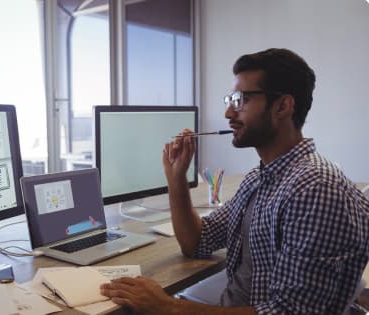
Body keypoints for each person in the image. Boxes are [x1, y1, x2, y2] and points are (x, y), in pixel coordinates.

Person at [100, 48, 369, 314]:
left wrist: (168, 306)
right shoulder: (261, 178)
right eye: (230, 99)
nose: (229, 113)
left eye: (241, 100)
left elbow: (289, 313)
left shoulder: (315, 188)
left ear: (283, 106)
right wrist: (177, 179)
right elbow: (197, 243)